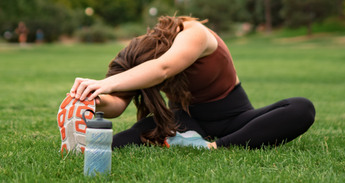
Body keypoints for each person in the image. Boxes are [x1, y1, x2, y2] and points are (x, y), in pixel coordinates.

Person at [57, 15, 315, 152]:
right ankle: (80, 146)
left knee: (301, 108)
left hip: (236, 118)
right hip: (182, 124)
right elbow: (117, 105)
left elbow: (163, 68)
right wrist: (92, 98)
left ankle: (212, 147)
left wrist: (106, 83)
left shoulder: (194, 33)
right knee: (118, 141)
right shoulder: (141, 60)